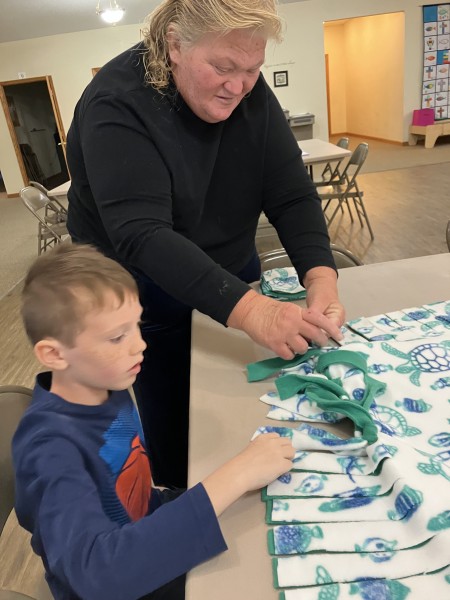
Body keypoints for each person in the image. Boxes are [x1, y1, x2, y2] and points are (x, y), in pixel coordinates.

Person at [65, 0, 345, 489]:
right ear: (175, 44)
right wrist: (252, 311)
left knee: (248, 405)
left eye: (253, 70)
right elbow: (142, 235)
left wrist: (320, 275)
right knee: (181, 430)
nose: (238, 86)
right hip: (139, 291)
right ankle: (179, 508)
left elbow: (290, 191)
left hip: (228, 277)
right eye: (223, 67)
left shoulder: (249, 93)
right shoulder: (116, 102)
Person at [13, 243, 295, 600]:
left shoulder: (103, 383)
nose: (139, 345)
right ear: (54, 354)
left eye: (136, 326)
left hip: (144, 540)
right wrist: (235, 475)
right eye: (117, 336)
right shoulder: (50, 450)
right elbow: (98, 575)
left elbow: (137, 500)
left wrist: (231, 485)